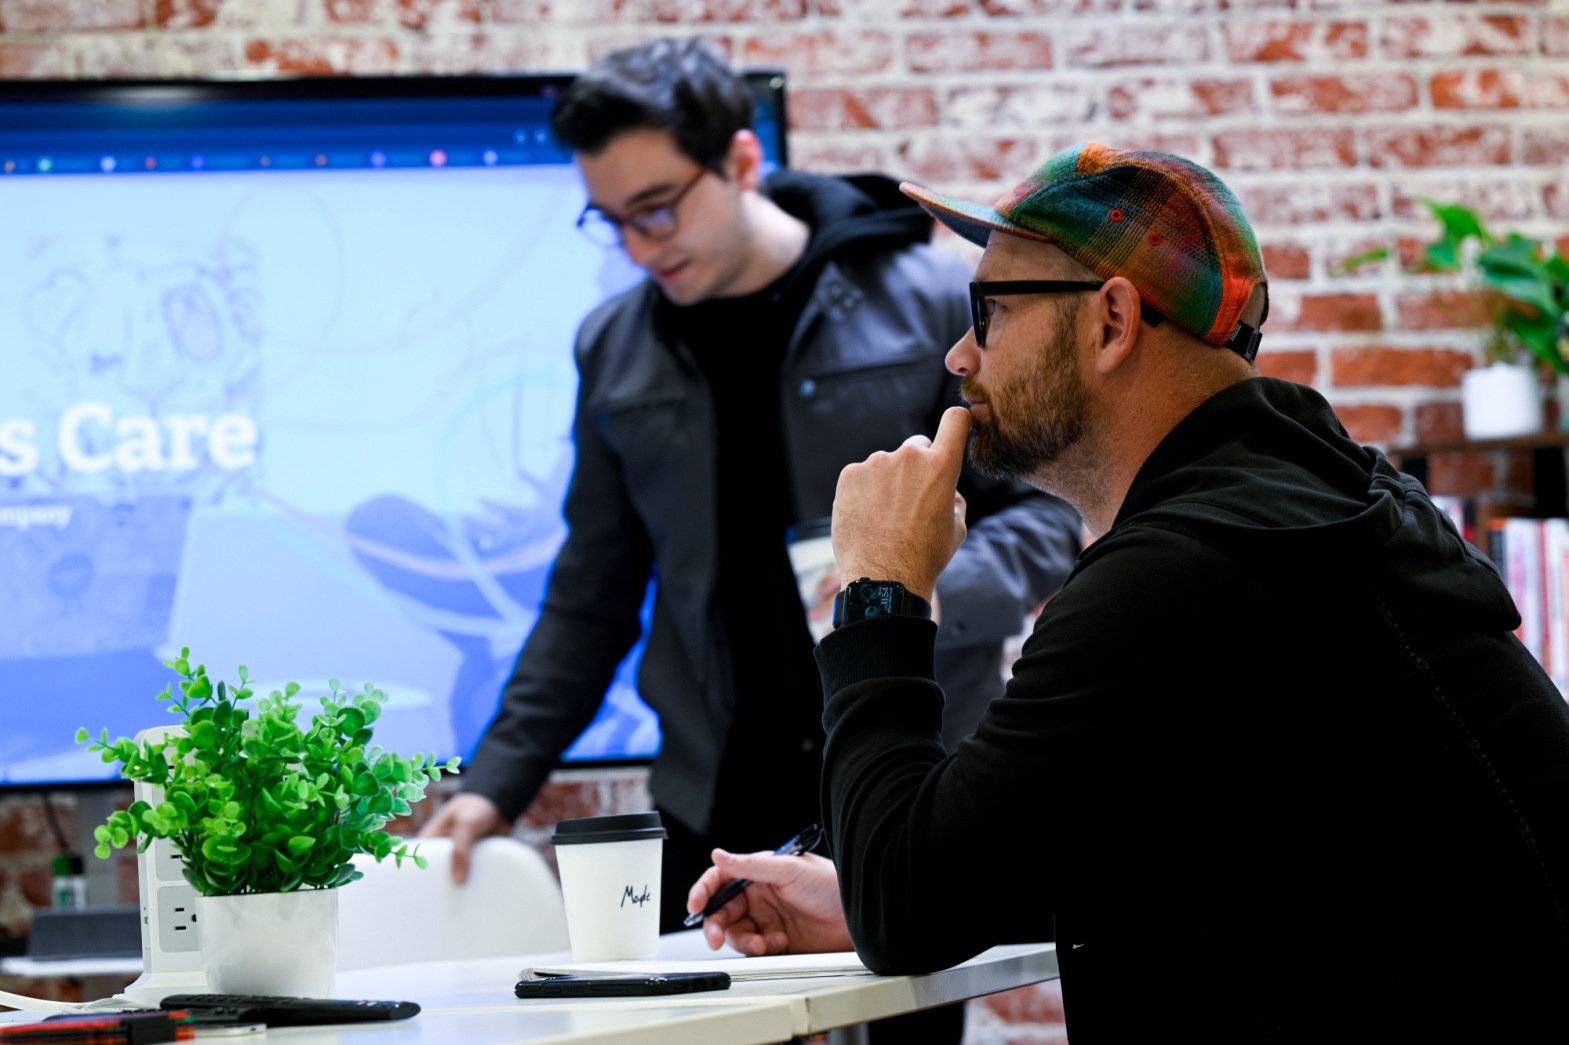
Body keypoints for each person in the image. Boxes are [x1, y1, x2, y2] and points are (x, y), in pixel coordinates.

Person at [687, 142, 1569, 1042]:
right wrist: (861, 894)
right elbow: (1201, 856)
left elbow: (910, 909)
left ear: (1110, 320)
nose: (958, 356)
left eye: (986, 312)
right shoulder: (1304, 502)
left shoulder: (1185, 566)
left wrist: (879, 588)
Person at [420, 38, 1079, 945]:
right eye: (610, 220)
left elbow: (1041, 515)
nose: (638, 245)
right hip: (709, 798)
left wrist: (900, 598)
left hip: (902, 775)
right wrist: (494, 782)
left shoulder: (928, 298)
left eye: (655, 208)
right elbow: (590, 597)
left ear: (739, 159)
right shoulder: (610, 346)